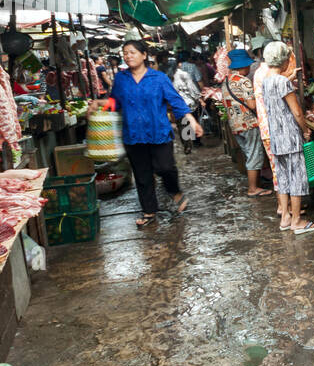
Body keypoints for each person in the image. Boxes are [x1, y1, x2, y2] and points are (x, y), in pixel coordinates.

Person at [108, 39, 199, 227]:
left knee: (166, 168)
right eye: (125, 53)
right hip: (133, 134)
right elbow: (115, 102)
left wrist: (191, 120)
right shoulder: (121, 79)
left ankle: (174, 191)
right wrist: (100, 106)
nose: (128, 56)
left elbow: (176, 101)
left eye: (132, 52)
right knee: (142, 175)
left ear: (144, 55)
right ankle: (149, 211)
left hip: (159, 132)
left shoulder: (158, 78)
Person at [261, 42, 314, 234]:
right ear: (284, 61)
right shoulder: (283, 82)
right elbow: (297, 113)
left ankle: (285, 218)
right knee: (297, 179)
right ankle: (297, 221)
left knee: (283, 179)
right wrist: (305, 131)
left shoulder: (266, 80)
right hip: (290, 138)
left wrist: (290, 77)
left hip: (276, 138)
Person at [221, 48, 270, 197]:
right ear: (243, 66)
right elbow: (253, 105)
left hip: (235, 125)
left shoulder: (226, 81)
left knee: (249, 154)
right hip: (249, 124)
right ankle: (253, 189)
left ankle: (255, 185)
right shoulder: (244, 81)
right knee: (255, 155)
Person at [172, 49, 204, 153]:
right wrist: (200, 98)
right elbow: (193, 88)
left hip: (177, 104)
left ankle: (187, 144)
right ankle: (196, 141)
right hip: (189, 102)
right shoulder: (185, 73)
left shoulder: (168, 76)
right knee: (193, 120)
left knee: (183, 124)